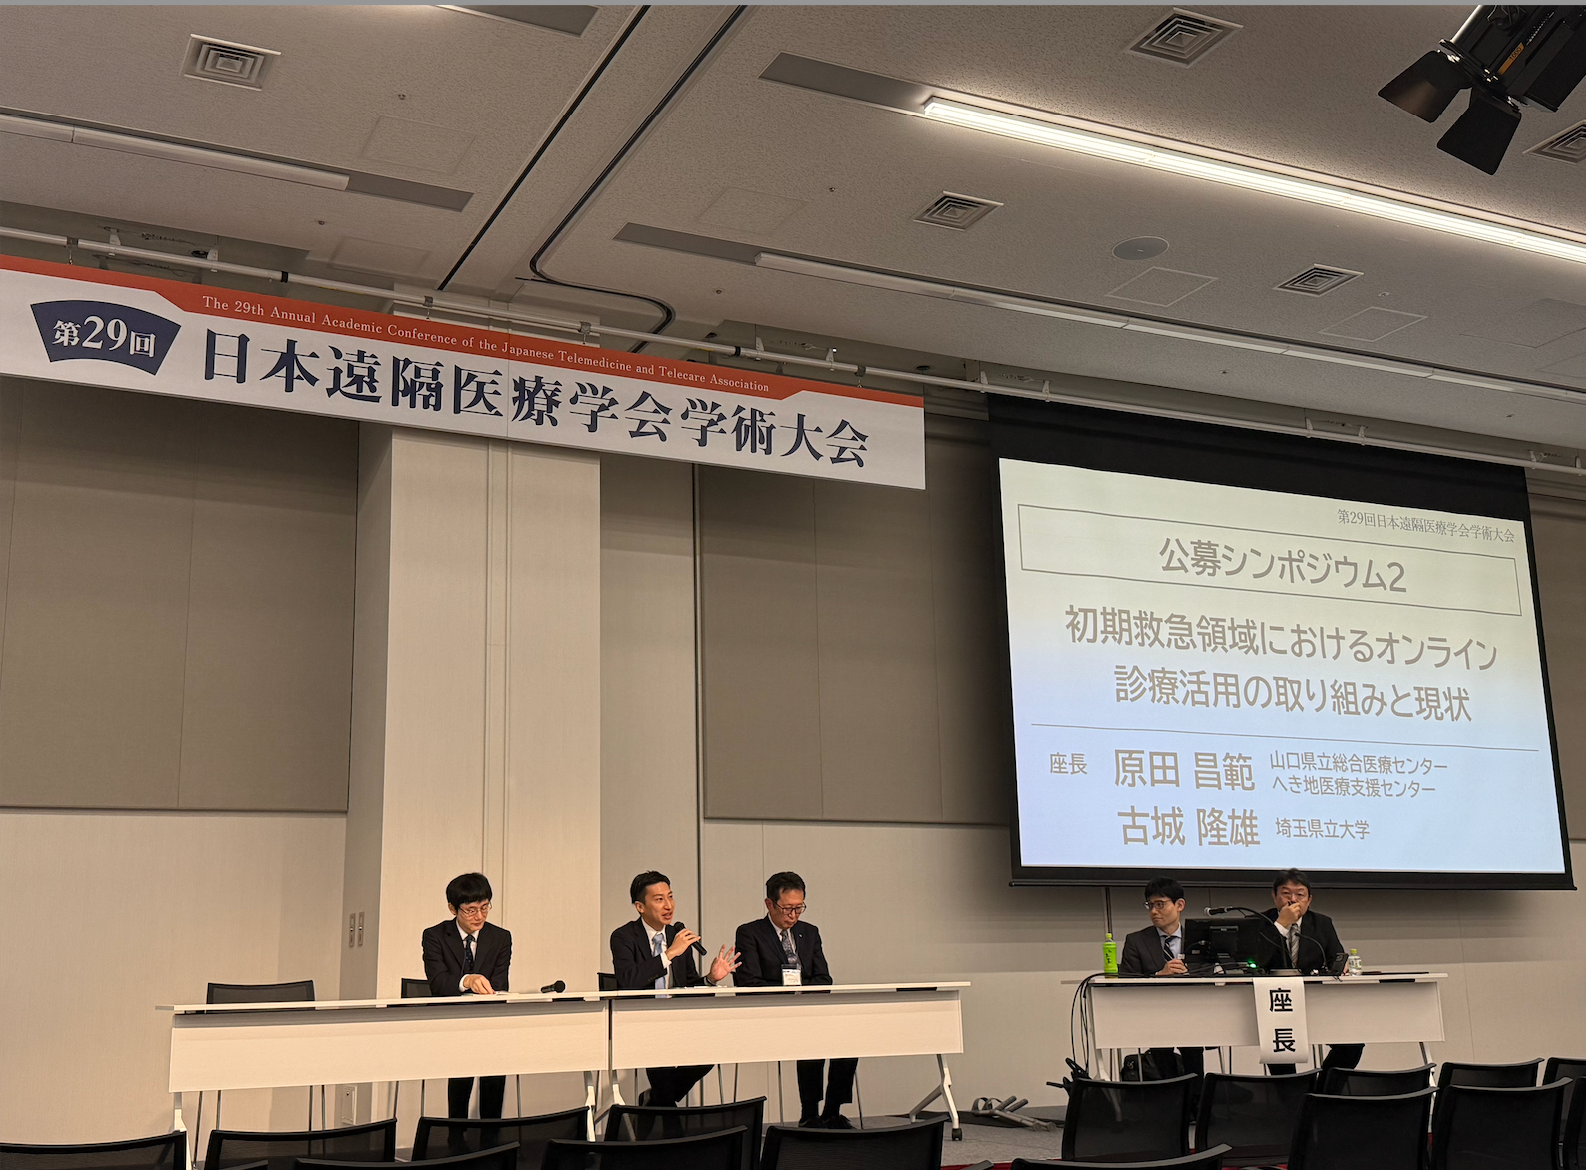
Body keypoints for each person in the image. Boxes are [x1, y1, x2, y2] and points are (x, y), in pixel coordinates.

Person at [734, 872, 859, 1129]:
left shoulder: (809, 932)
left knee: (848, 1037)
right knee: (811, 1034)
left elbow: (824, 978)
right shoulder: (750, 933)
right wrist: (791, 992)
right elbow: (749, 984)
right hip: (770, 1013)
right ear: (769, 904)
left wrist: (803, 993)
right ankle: (809, 1113)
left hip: (808, 1010)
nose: (793, 915)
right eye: (787, 909)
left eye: (799, 908)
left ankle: (832, 1111)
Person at [611, 870, 740, 1107]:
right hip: (642, 1022)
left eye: (670, 897)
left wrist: (710, 979)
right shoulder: (623, 937)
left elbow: (688, 987)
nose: (668, 905)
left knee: (711, 1050)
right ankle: (663, 1109)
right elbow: (628, 980)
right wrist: (669, 954)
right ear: (640, 907)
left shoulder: (677, 936)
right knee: (662, 1066)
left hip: (677, 1021)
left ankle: (656, 1099)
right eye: (659, 899)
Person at [421, 872, 511, 1119]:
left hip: (489, 1023)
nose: (479, 916)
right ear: (453, 908)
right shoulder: (435, 936)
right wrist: (466, 981)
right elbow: (438, 983)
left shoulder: (501, 938)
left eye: (484, 907)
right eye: (471, 910)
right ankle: (456, 1134)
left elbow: (500, 984)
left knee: (494, 1074)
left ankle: (491, 1136)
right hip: (452, 1023)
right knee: (461, 1077)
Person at [1263, 868, 1363, 1075]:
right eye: (1286, 894)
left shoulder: (1322, 924)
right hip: (1273, 1004)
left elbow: (1337, 957)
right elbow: (1256, 959)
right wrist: (1281, 925)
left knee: (1352, 1044)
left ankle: (1323, 1088)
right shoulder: (1260, 922)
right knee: (1282, 1052)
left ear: (1309, 900)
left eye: (1300, 895)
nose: (1293, 900)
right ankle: (1290, 1092)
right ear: (1274, 896)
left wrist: (1342, 966)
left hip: (1316, 1001)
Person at [1117, 876, 1205, 1084]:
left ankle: (1197, 1099)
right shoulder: (1137, 941)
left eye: (1160, 905)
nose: (1154, 912)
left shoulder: (1200, 939)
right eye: (1150, 905)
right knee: (1164, 1069)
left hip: (1194, 1014)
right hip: (1154, 1016)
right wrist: (1158, 976)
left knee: (1194, 1068)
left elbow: (1212, 972)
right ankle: (1170, 1098)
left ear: (1179, 905)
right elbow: (1126, 982)